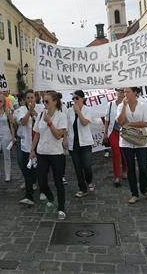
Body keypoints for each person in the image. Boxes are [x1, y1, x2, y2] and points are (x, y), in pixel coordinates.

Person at [30, 91, 68, 220]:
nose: (44, 104)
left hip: (56, 154)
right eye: (43, 101)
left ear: (55, 102)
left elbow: (59, 135)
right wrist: (32, 150)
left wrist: (50, 122)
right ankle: (51, 198)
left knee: (58, 182)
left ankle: (61, 207)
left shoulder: (61, 116)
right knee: (42, 182)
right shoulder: (41, 114)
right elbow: (36, 134)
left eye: (47, 101)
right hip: (42, 153)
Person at [117, 87, 147, 204]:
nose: (125, 94)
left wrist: (130, 124)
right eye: (124, 92)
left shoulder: (143, 105)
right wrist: (123, 107)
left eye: (128, 92)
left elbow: (146, 123)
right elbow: (120, 122)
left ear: (135, 93)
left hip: (141, 141)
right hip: (126, 142)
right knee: (130, 168)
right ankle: (134, 194)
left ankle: (144, 189)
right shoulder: (121, 105)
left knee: (143, 167)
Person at [15, 89, 44, 205]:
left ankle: (43, 191)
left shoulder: (41, 108)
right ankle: (29, 195)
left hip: (39, 144)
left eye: (32, 97)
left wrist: (35, 113)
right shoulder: (20, 110)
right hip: (26, 144)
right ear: (25, 100)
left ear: (35, 98)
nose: (30, 100)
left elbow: (43, 122)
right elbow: (22, 122)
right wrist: (29, 112)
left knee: (40, 169)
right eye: (28, 98)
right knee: (27, 169)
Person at [67, 90, 95, 197]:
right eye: (73, 98)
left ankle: (89, 181)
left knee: (87, 166)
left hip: (85, 143)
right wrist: (65, 139)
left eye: (77, 98)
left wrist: (78, 112)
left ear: (82, 99)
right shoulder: (69, 111)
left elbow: (84, 123)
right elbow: (66, 126)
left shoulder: (88, 110)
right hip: (73, 143)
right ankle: (82, 188)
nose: (74, 100)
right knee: (77, 167)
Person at [104, 88, 127, 186]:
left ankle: (125, 170)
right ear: (115, 92)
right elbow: (107, 119)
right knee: (116, 153)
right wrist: (105, 133)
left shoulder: (127, 103)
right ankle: (117, 176)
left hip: (125, 131)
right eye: (119, 91)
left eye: (123, 91)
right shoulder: (110, 104)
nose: (121, 93)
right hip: (113, 131)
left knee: (125, 152)